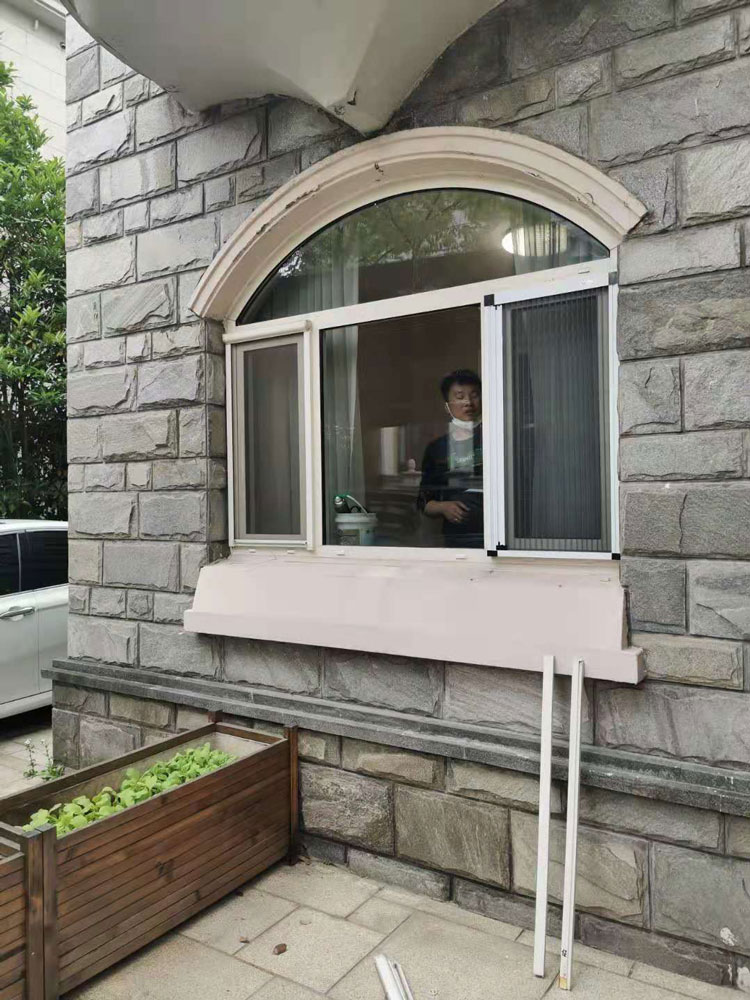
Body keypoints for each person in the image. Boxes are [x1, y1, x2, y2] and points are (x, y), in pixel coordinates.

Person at [418, 369, 483, 547]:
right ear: (447, 406)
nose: (468, 402)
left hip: (497, 535)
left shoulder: (497, 438)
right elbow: (424, 501)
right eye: (460, 396)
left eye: (474, 395)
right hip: (457, 537)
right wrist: (444, 507)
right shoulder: (437, 448)